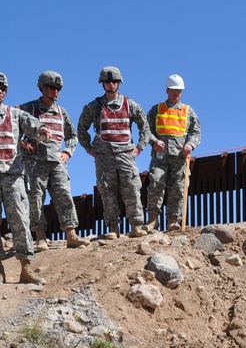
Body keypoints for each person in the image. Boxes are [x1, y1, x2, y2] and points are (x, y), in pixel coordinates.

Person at [0, 71, 49, 285]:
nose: (0, 91)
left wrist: (42, 130)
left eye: (3, 88)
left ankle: (26, 269)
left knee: (21, 221)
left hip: (14, 177)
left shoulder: (16, 114)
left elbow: (35, 126)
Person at [77, 66, 151, 238]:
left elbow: (145, 128)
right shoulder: (94, 106)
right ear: (102, 84)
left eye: (114, 81)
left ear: (119, 83)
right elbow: (81, 128)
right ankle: (113, 227)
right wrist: (88, 148)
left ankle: (136, 225)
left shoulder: (131, 105)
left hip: (126, 154)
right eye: (107, 82)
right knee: (106, 190)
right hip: (103, 156)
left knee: (132, 188)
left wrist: (139, 147)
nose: (111, 84)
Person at [17, 71, 86, 250]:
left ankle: (71, 234)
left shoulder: (61, 112)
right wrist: (22, 143)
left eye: (58, 88)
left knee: (64, 194)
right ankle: (40, 236)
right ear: (42, 88)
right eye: (52, 87)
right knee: (36, 198)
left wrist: (68, 152)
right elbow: (9, 126)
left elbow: (72, 135)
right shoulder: (28, 108)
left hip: (57, 162)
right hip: (34, 162)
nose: (56, 91)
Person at [145, 74, 201, 232]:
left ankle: (173, 221)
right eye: (174, 90)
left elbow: (196, 133)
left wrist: (190, 144)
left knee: (177, 188)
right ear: (167, 90)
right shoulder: (156, 110)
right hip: (160, 156)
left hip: (179, 157)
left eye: (179, 90)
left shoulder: (188, 111)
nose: (177, 93)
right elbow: (146, 130)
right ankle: (152, 221)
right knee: (155, 184)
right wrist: (154, 141)